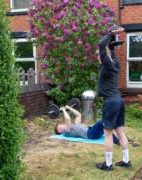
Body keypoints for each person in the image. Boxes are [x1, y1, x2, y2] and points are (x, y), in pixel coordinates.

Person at [95, 26, 131, 171]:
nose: (98, 58)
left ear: (103, 55)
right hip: (118, 101)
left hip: (111, 102)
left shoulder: (107, 64)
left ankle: (108, 164)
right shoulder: (115, 62)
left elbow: (101, 45)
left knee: (107, 133)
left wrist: (111, 33)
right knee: (120, 131)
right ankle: (126, 161)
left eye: (98, 55)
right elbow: (109, 50)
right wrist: (112, 44)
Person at [54, 105, 120, 145]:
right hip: (91, 134)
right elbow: (68, 119)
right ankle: (116, 140)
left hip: (92, 131)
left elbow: (78, 115)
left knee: (106, 125)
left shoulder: (73, 126)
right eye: (59, 127)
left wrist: (69, 108)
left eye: (60, 125)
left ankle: (119, 138)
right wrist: (64, 110)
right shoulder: (65, 133)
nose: (61, 125)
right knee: (102, 122)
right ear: (59, 131)